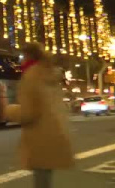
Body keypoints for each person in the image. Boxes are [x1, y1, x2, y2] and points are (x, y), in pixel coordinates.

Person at [11, 43, 74, 188]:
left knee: (41, 178)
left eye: (22, 57)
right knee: (45, 176)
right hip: (55, 130)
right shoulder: (50, 73)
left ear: (28, 56)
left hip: (39, 133)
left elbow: (29, 112)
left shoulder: (31, 76)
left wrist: (10, 110)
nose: (21, 61)